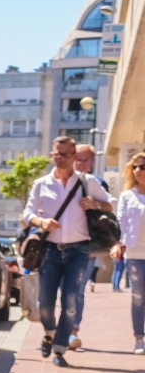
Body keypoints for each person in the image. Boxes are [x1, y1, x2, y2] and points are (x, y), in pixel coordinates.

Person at [21, 136, 112, 366]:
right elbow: (26, 215)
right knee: (45, 302)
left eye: (66, 154)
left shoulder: (87, 182)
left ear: (73, 157)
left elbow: (112, 204)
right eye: (57, 154)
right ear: (52, 155)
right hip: (50, 250)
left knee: (71, 299)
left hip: (79, 250)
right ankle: (49, 331)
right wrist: (41, 222)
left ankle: (59, 348)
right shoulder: (42, 184)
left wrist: (96, 204)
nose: (61, 158)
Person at [68, 144, 111, 349]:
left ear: (92, 162)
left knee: (77, 290)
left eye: (87, 160)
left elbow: (110, 208)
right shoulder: (60, 182)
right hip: (61, 245)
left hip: (87, 245)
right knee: (59, 291)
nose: (83, 164)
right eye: (79, 159)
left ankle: (72, 331)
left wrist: (95, 204)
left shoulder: (97, 182)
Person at [111, 152, 145, 355]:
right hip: (136, 254)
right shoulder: (127, 196)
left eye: (144, 167)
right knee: (139, 297)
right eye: (136, 167)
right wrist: (117, 243)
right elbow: (120, 221)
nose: (139, 170)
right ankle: (139, 338)